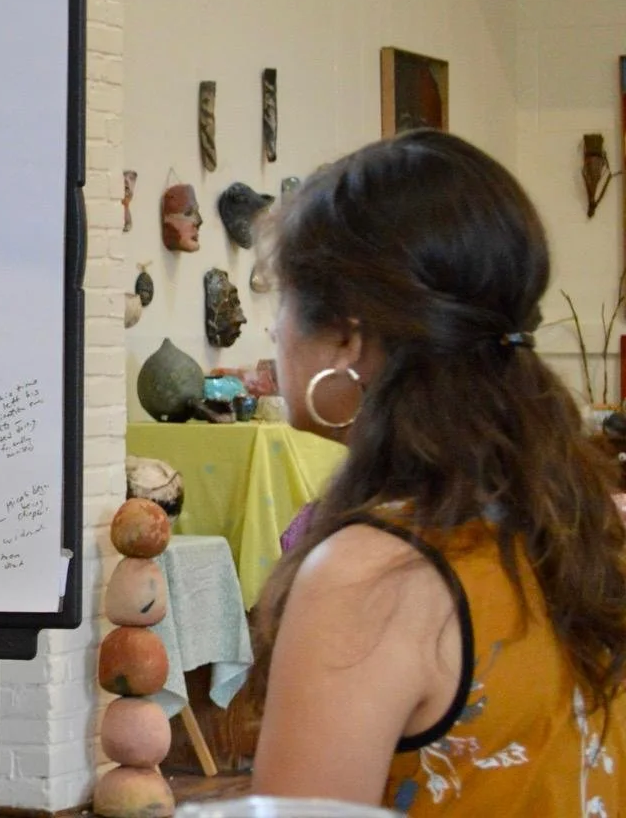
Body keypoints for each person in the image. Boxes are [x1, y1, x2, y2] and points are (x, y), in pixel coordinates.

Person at [248, 129, 626, 812]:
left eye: (280, 302)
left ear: (348, 337)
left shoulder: (371, 580)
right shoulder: (593, 524)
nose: (272, 333)